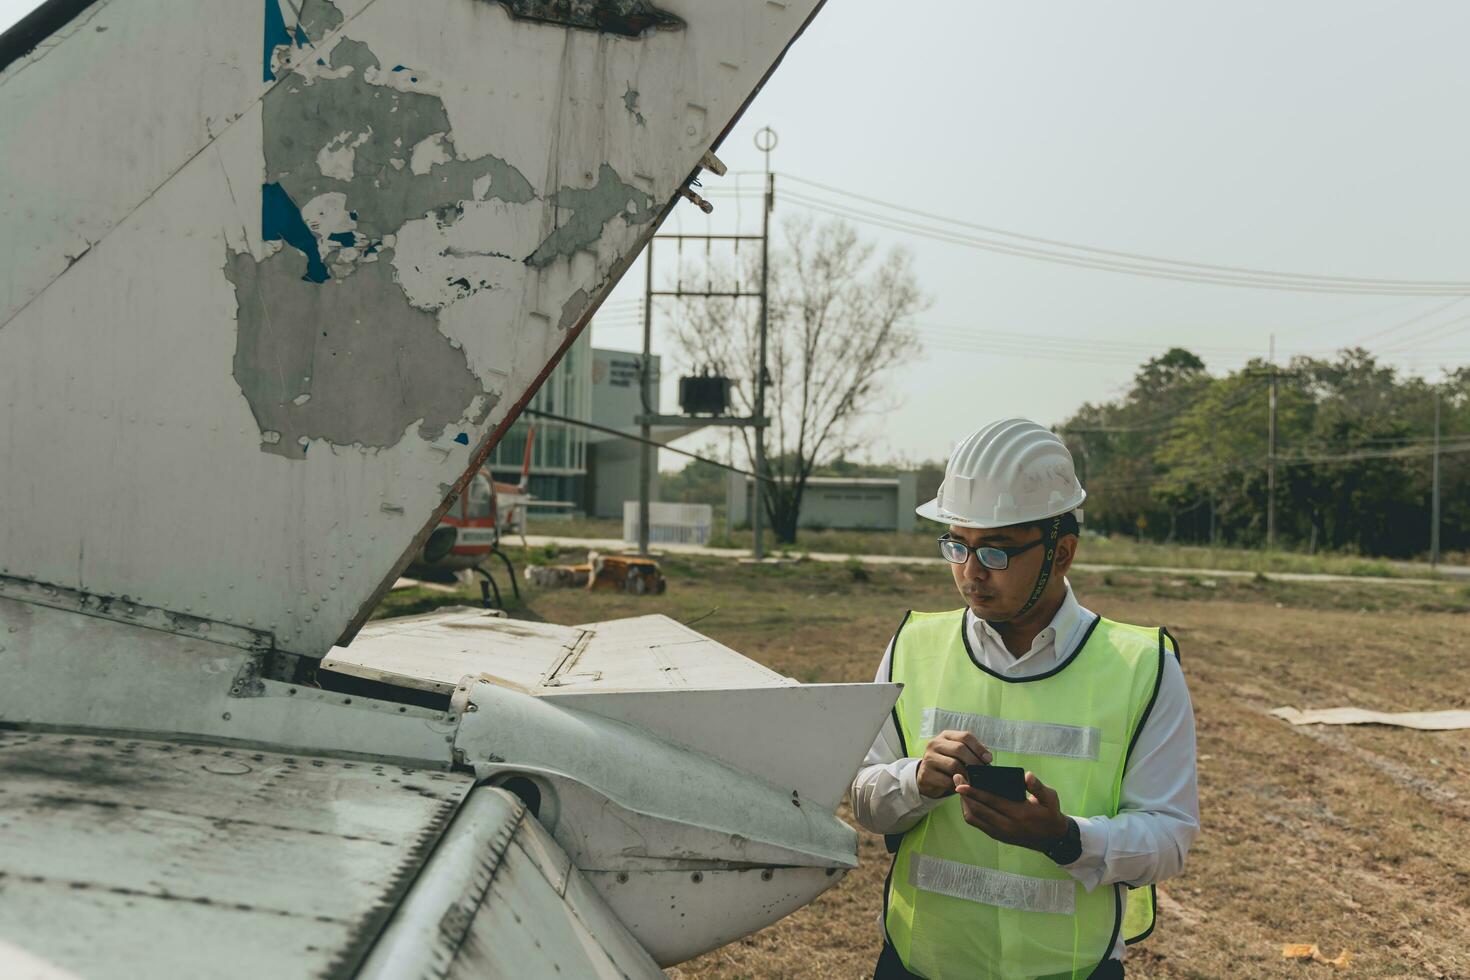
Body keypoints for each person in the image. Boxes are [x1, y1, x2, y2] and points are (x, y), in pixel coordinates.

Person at [851, 418, 1199, 980]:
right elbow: (864, 798)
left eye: (995, 553)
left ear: (1061, 553)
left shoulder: (1143, 667)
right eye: (956, 547)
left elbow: (1169, 838)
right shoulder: (913, 644)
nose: (969, 574)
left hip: (1068, 970)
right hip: (920, 965)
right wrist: (916, 778)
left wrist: (1065, 838)